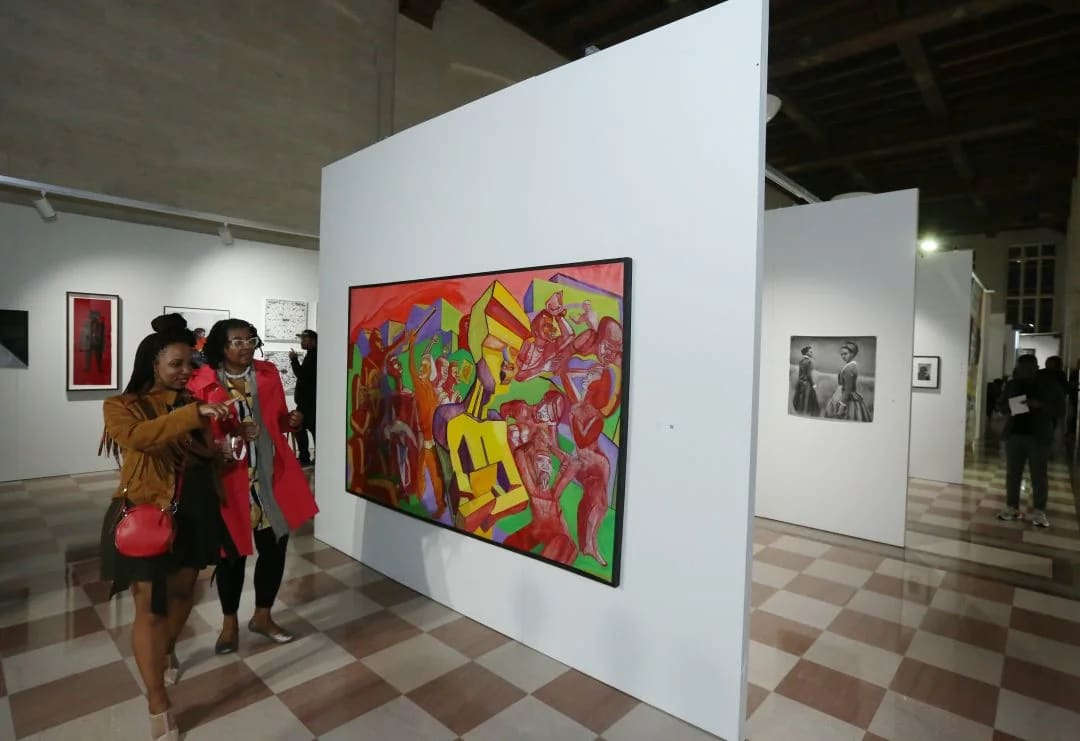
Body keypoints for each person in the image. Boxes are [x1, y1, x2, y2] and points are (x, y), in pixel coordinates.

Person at [99, 314, 235, 741]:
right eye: (176, 364)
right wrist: (192, 413)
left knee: (182, 592)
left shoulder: (191, 401)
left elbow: (202, 453)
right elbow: (139, 437)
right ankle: (157, 702)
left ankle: (168, 648)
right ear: (152, 363)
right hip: (148, 511)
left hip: (195, 508)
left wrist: (222, 448)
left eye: (190, 364)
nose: (185, 371)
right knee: (150, 608)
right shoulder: (121, 406)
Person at [188, 319, 318, 654]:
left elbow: (277, 420)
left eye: (250, 340)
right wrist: (228, 438)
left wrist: (290, 421)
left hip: (269, 480)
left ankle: (263, 616)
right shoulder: (202, 382)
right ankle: (229, 624)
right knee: (230, 556)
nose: (246, 346)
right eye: (237, 342)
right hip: (228, 484)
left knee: (274, 550)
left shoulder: (267, 373)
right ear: (220, 346)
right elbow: (195, 436)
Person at [997, 353, 1064, 527]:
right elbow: (1001, 406)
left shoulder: (1050, 385)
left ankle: (1039, 511)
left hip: (1039, 436)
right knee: (1013, 473)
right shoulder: (1012, 385)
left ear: (1036, 368)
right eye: (1021, 369)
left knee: (1039, 475)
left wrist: (1040, 405)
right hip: (1015, 434)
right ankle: (1012, 507)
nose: (1024, 372)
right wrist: (1016, 405)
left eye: (1028, 369)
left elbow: (1060, 409)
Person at [289, 329, 318, 466]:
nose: (301, 342)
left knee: (305, 428)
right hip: (308, 402)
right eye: (301, 339)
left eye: (304, 339)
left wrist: (294, 359)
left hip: (309, 403)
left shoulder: (314, 356)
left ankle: (306, 457)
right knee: (303, 429)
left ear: (313, 340)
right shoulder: (312, 354)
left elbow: (301, 374)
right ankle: (306, 457)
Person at [824, 341, 872, 421]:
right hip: (841, 394)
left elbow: (848, 389)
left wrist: (842, 407)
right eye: (842, 354)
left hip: (846, 397)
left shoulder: (849, 368)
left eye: (845, 354)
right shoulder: (850, 366)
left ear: (852, 354)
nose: (843, 356)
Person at [792, 345, 820, 416]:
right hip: (807, 384)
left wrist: (799, 382)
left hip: (800, 383)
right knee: (809, 400)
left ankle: (801, 413)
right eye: (810, 352)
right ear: (806, 353)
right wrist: (813, 384)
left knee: (801, 399)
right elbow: (809, 375)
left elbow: (800, 374)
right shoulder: (809, 362)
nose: (812, 353)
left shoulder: (801, 361)